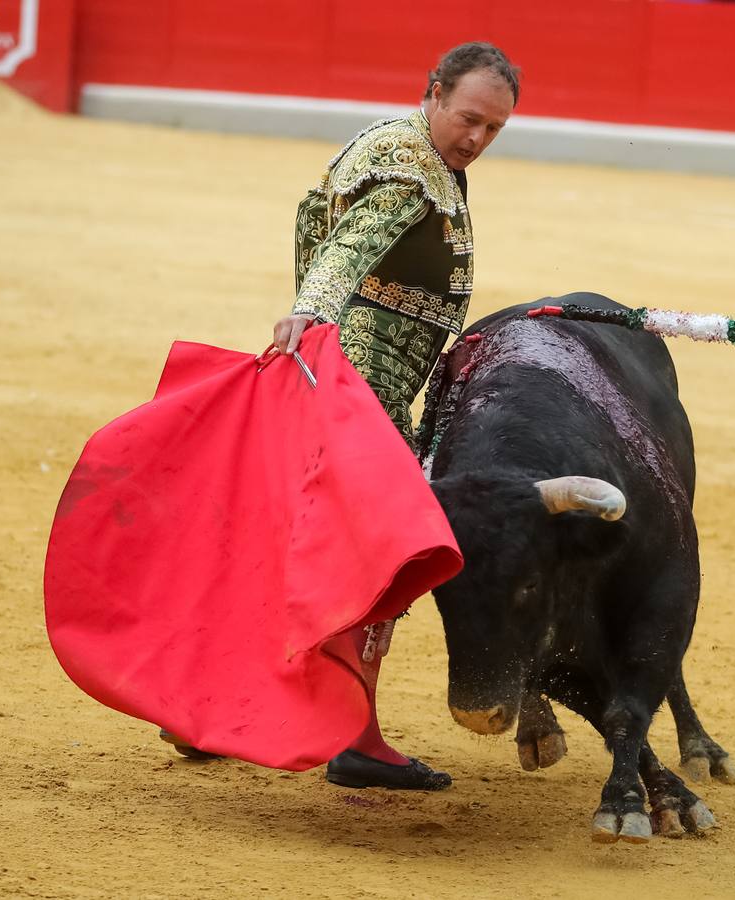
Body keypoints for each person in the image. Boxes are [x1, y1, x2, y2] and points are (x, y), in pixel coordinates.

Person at [162, 42, 519, 791]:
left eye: (494, 128)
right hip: (362, 388)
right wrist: (313, 308)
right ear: (434, 93)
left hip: (349, 379)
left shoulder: (410, 148)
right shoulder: (410, 164)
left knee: (297, 541)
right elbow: (346, 249)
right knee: (370, 555)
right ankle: (355, 737)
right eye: (469, 119)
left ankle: (206, 708)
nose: (477, 139)